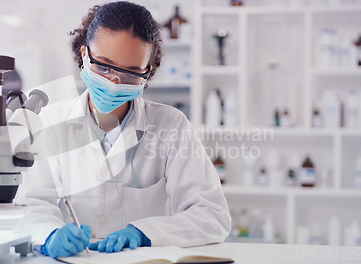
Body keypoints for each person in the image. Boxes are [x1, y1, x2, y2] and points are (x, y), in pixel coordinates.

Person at [17, 1, 231, 259]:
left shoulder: (171, 125)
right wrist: (49, 236)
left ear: (147, 72)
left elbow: (211, 215)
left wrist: (143, 232)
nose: (114, 83)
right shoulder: (51, 123)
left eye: (130, 73)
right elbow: (33, 204)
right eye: (104, 66)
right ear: (85, 54)